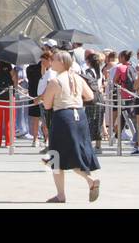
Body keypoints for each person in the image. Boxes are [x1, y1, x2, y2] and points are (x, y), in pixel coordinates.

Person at [39, 50, 101, 203]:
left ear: (61, 62)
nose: (51, 62)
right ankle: (89, 180)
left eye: (53, 60)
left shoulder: (55, 81)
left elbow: (46, 105)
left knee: (57, 157)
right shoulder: (77, 78)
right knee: (74, 153)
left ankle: (64, 193)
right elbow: (91, 96)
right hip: (80, 117)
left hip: (63, 118)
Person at [0, 59, 15, 148]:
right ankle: (9, 142)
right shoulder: (12, 71)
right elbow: (15, 82)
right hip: (10, 97)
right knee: (10, 121)